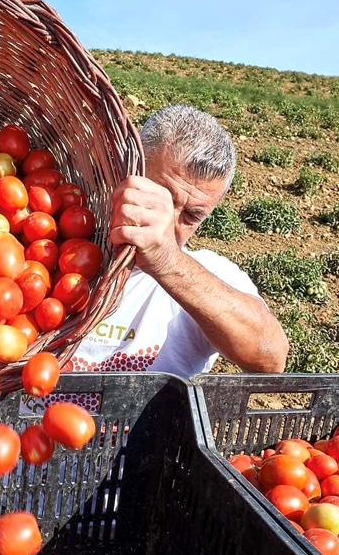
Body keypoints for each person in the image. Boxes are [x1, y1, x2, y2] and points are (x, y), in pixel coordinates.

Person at [68, 104, 289, 376]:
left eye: (192, 216)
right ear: (127, 170)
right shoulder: (60, 244)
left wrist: (167, 261)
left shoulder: (210, 273)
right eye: (160, 198)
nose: (168, 225)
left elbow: (271, 359)